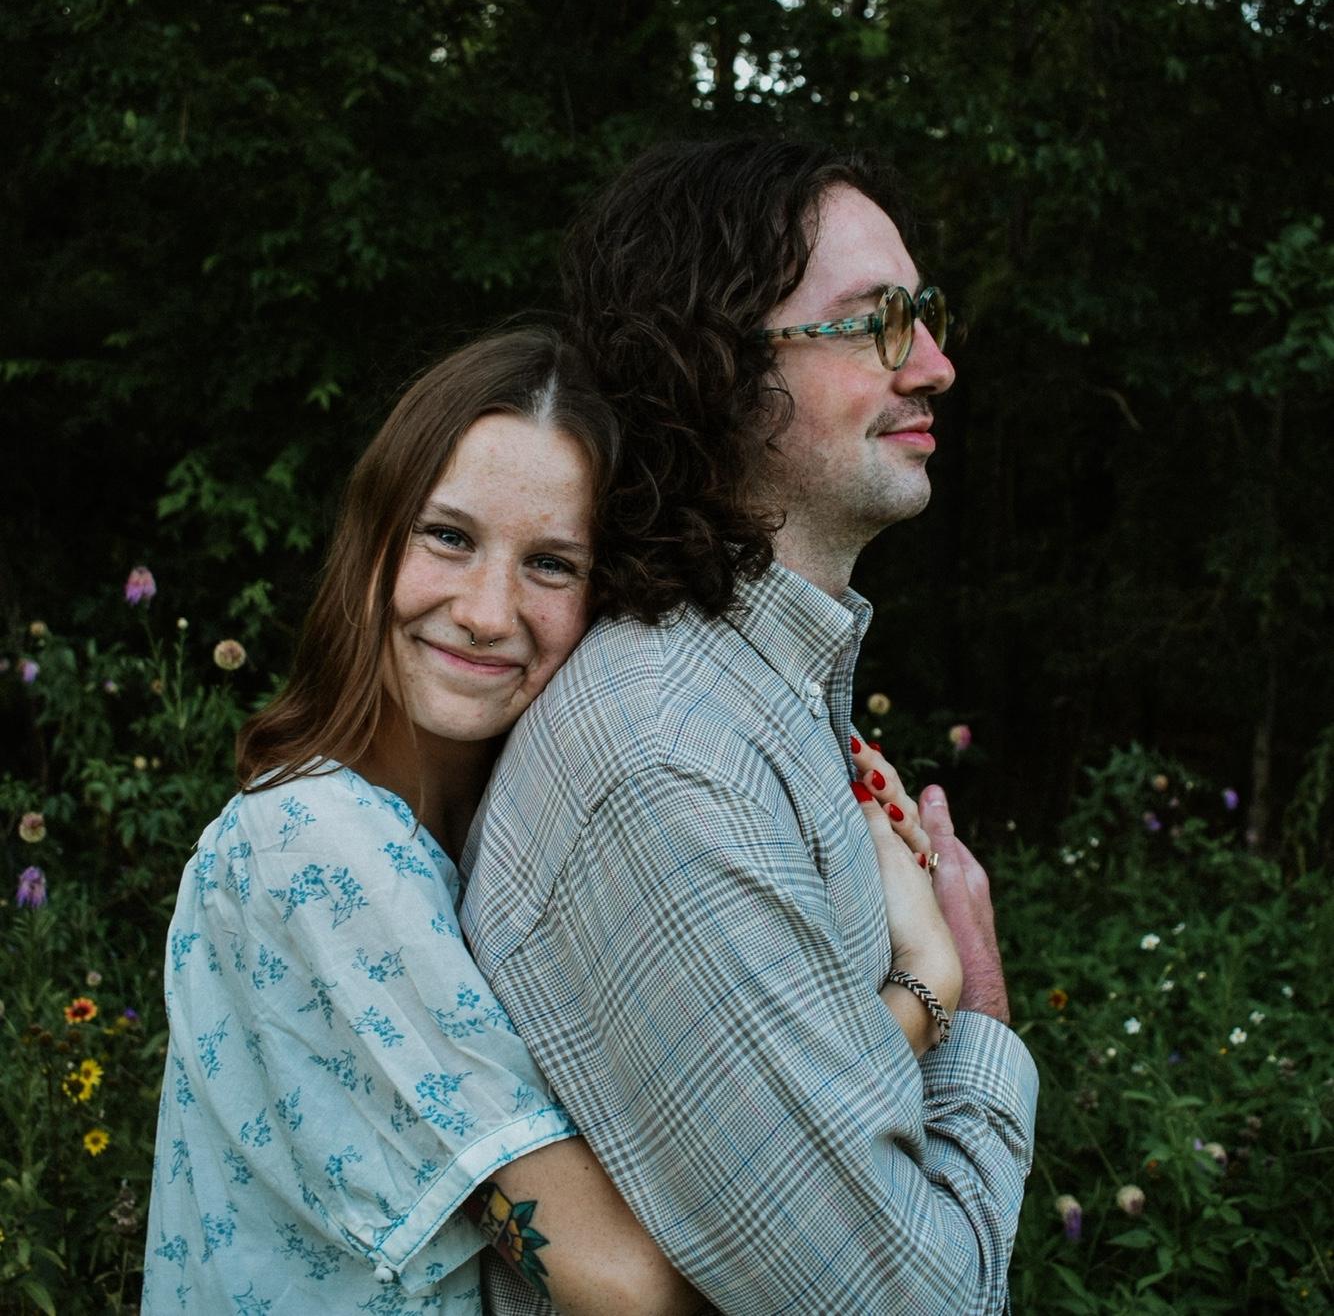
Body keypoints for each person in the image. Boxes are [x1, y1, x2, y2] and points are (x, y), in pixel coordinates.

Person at [461, 140, 1039, 1315]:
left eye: (924, 314)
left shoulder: (743, 705)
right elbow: (907, 1304)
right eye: (875, 322)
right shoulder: (672, 764)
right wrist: (972, 999)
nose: (933, 364)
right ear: (715, 367)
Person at [141, 328, 715, 1314]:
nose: (487, 611)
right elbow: (624, 1286)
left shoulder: (500, 841)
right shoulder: (314, 842)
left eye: (551, 563)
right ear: (373, 541)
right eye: (448, 536)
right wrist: (923, 991)